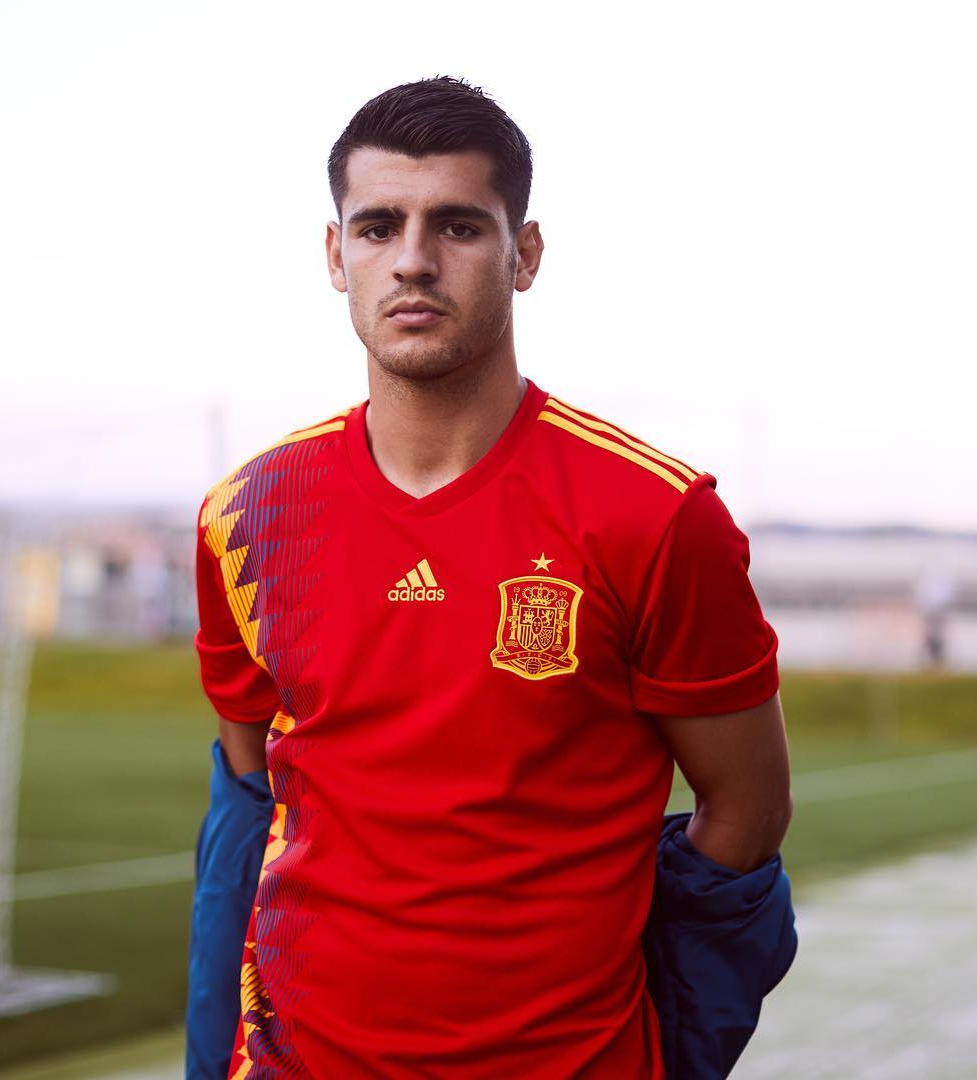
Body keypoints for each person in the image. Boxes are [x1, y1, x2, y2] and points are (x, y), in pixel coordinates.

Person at [186, 75, 795, 1079]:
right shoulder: (245, 515)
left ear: (526, 254)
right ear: (337, 256)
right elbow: (252, 800)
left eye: (460, 226)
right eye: (378, 227)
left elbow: (747, 817)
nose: (413, 260)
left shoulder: (656, 515)